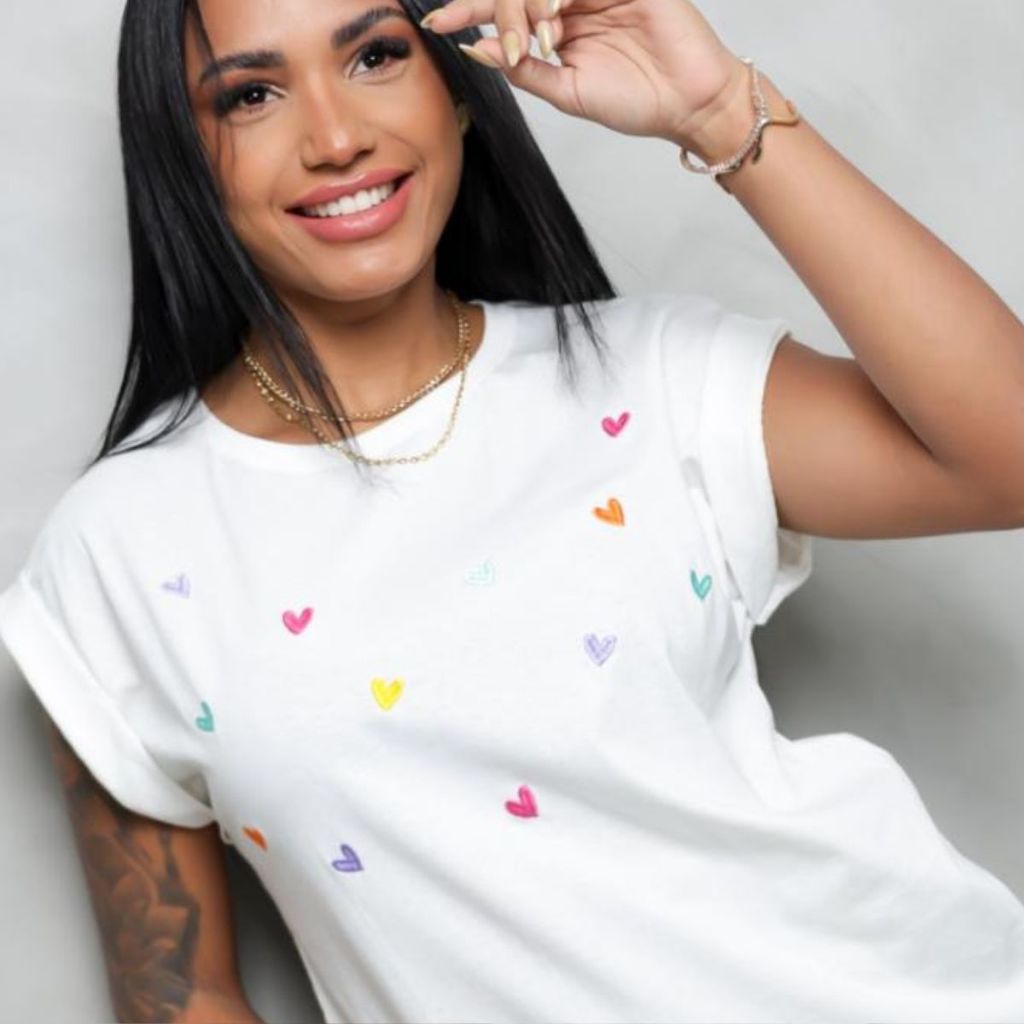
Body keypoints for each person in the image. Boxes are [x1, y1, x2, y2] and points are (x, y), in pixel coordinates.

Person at [2, 0, 1024, 1019]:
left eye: (375, 57)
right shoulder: (121, 547)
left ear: (457, 90)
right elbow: (180, 995)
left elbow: (1004, 457)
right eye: (253, 95)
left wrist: (716, 109)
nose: (336, 137)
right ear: (182, 156)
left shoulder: (658, 378)